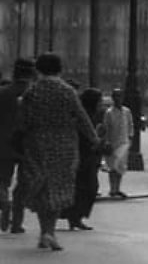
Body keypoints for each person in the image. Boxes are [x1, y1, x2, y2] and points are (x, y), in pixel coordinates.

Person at [15, 53, 101, 251]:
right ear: (59, 68)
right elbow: (81, 117)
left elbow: (24, 120)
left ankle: (45, 230)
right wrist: (94, 139)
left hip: (37, 145)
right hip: (64, 146)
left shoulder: (32, 91)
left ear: (39, 69)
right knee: (60, 188)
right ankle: (50, 232)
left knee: (43, 188)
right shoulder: (67, 91)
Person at [1, 58, 36, 234]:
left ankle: (3, 201)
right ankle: (17, 223)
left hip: (3, 144)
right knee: (23, 185)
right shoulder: (34, 94)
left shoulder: (3, 93)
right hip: (26, 146)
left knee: (2, 181)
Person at [62, 87, 105, 231]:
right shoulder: (83, 116)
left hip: (89, 156)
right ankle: (74, 217)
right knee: (85, 187)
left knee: (88, 187)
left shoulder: (94, 115)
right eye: (99, 101)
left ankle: (76, 217)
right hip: (81, 155)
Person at [101, 89, 134, 198]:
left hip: (124, 142)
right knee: (113, 167)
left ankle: (118, 188)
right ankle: (112, 189)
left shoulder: (127, 111)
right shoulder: (109, 112)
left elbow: (130, 125)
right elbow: (106, 128)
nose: (118, 99)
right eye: (116, 96)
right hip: (113, 143)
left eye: (120, 96)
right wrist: (106, 142)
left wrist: (130, 138)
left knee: (121, 167)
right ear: (113, 98)